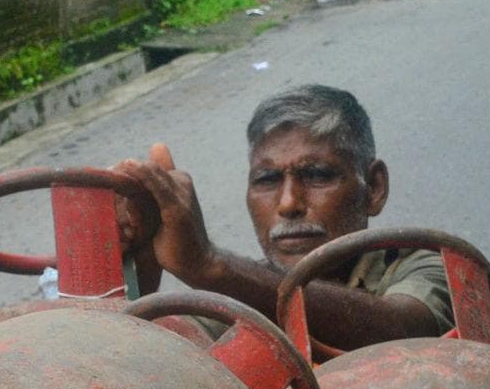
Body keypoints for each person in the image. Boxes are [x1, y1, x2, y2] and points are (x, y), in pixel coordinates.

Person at [113, 84, 452, 351]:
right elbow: (154, 364)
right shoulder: (232, 302)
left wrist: (209, 265)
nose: (289, 204)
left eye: (318, 175)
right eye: (267, 180)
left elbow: (406, 333)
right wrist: (141, 265)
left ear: (374, 188)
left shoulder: (427, 268)